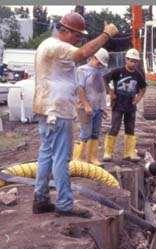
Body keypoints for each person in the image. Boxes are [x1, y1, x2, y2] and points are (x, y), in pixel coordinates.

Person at [32, 12, 118, 218]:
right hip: (57, 111)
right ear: (66, 31)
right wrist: (106, 34)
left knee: (46, 155)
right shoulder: (56, 46)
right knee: (62, 157)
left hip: (48, 109)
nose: (79, 39)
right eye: (77, 35)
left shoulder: (48, 46)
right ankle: (64, 203)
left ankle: (41, 199)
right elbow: (83, 53)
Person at [102, 48, 147, 162]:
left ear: (138, 62)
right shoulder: (118, 71)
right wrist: (110, 92)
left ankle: (129, 153)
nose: (132, 63)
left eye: (135, 61)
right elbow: (105, 79)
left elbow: (143, 88)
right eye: (130, 60)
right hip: (118, 104)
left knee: (130, 128)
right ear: (126, 60)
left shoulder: (138, 75)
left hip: (130, 106)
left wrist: (138, 99)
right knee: (114, 127)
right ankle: (108, 152)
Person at [72, 48, 110, 165]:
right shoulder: (81, 70)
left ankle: (92, 158)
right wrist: (86, 105)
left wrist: (103, 107)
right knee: (85, 133)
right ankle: (77, 159)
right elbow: (80, 88)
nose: (100, 65)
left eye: (102, 64)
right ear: (94, 57)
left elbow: (101, 91)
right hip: (85, 108)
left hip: (97, 108)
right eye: (99, 62)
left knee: (95, 133)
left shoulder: (99, 72)